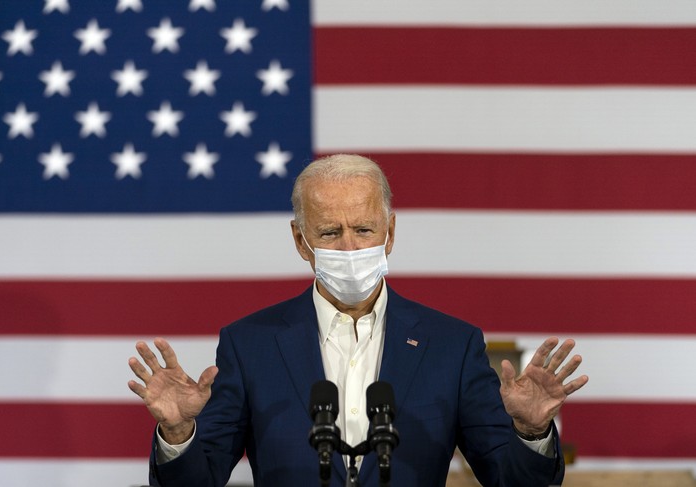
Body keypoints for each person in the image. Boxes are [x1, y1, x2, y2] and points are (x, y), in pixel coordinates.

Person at [128, 154, 588, 487]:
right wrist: (178, 433)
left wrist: (530, 432)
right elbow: (197, 480)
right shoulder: (250, 344)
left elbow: (511, 480)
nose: (349, 248)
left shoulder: (452, 345)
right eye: (330, 232)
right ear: (300, 240)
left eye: (364, 229)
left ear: (390, 232)